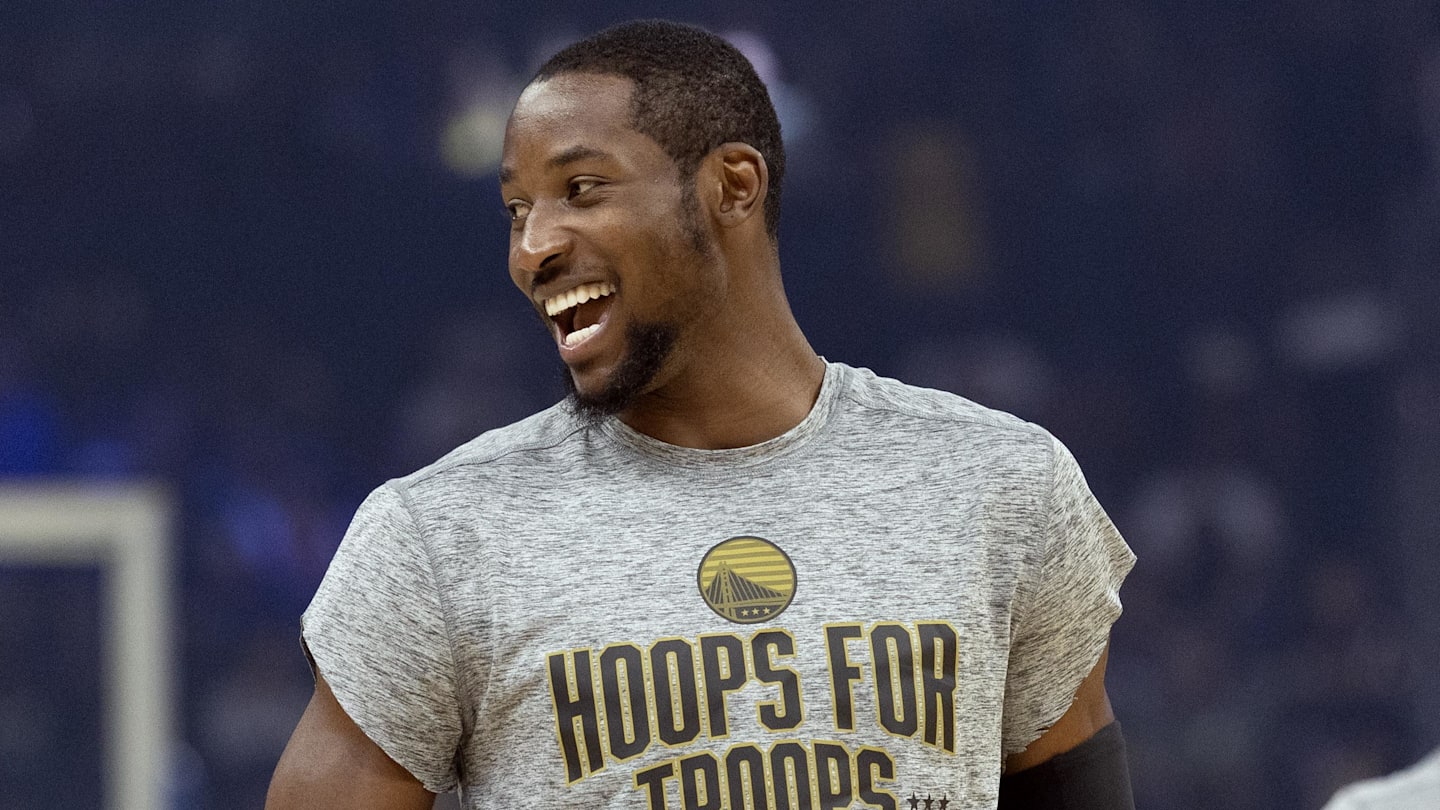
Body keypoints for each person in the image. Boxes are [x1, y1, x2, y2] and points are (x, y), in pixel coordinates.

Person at [266, 19, 1136, 810]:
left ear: (732, 185)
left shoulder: (1003, 488)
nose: (532, 248)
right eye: (517, 211)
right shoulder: (439, 536)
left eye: (581, 188)